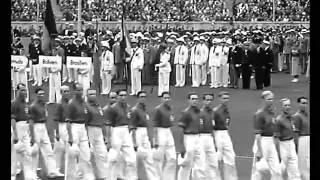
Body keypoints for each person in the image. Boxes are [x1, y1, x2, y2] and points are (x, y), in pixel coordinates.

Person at [29, 87, 64, 178]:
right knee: (34, 152)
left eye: (43, 94)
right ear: (36, 95)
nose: (41, 95)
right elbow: (31, 122)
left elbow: (46, 117)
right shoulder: (33, 106)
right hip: (36, 127)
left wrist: (47, 130)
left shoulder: (44, 104)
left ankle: (52, 171)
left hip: (43, 127)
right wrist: (32, 136)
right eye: (40, 94)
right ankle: (32, 174)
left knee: (48, 150)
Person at [104, 89, 137, 180]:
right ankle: (110, 178)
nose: (123, 97)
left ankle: (131, 177)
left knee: (132, 158)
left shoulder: (128, 107)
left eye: (125, 95)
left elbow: (130, 121)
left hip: (126, 132)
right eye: (121, 95)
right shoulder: (112, 108)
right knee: (113, 158)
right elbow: (108, 125)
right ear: (117, 97)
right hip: (116, 131)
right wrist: (108, 139)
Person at [65, 83, 95, 180]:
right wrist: (70, 137)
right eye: (78, 90)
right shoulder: (71, 104)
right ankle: (70, 177)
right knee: (72, 154)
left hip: (82, 128)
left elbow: (89, 115)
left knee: (86, 153)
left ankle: (85, 175)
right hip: (74, 127)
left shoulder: (83, 102)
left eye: (81, 90)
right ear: (74, 91)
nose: (80, 92)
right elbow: (68, 122)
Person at [251, 91, 282, 180]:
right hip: (262, 142)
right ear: (263, 100)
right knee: (258, 171)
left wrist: (276, 145)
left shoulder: (272, 113)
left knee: (277, 170)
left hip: (271, 142)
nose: (271, 101)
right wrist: (260, 151)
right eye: (269, 99)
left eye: (272, 99)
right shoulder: (259, 114)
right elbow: (257, 135)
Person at [177, 92, 206, 180]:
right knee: (186, 163)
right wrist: (182, 146)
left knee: (200, 162)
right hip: (188, 138)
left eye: (196, 99)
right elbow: (181, 129)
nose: (195, 101)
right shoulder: (186, 113)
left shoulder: (200, 112)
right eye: (193, 99)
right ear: (188, 100)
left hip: (198, 137)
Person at [130, 90, 158, 179]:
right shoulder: (134, 110)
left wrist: (150, 137)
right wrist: (134, 142)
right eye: (141, 97)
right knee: (136, 158)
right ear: (138, 98)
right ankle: (133, 177)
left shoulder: (145, 110)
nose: (143, 98)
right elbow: (133, 127)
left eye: (144, 97)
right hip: (137, 133)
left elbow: (148, 125)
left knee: (149, 157)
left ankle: (153, 178)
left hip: (144, 133)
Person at [11, 83, 36, 180]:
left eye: (25, 90)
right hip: (17, 128)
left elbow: (29, 120)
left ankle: (28, 175)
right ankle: (12, 175)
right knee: (14, 153)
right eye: (22, 90)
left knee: (27, 152)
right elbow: (12, 120)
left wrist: (32, 136)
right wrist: (15, 135)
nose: (24, 92)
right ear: (17, 91)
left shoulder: (26, 104)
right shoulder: (13, 103)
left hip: (25, 129)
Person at [274, 98, 301, 180]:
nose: (287, 107)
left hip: (291, 144)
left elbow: (294, 132)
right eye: (285, 105)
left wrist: (296, 147)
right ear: (281, 107)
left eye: (289, 105)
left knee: (295, 169)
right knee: (280, 169)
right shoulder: (279, 120)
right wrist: (277, 154)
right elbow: (276, 138)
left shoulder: (292, 118)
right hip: (283, 145)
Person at [152, 91, 176, 180]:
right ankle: (157, 177)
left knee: (172, 157)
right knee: (158, 158)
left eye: (168, 98)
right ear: (161, 99)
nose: (166, 99)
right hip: (160, 131)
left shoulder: (170, 108)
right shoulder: (157, 109)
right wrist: (155, 139)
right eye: (165, 98)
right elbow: (155, 125)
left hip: (168, 132)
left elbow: (172, 120)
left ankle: (168, 177)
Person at [213, 91, 238, 180]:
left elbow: (227, 123)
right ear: (220, 99)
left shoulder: (227, 111)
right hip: (217, 134)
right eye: (224, 98)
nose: (226, 100)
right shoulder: (215, 112)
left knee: (231, 156)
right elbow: (212, 126)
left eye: (227, 98)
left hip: (225, 134)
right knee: (217, 158)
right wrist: (214, 141)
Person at [85, 88, 108, 180]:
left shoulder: (98, 106)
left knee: (102, 153)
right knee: (89, 154)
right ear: (87, 96)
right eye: (90, 94)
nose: (93, 96)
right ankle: (88, 175)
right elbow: (85, 122)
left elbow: (102, 121)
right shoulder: (85, 106)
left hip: (99, 131)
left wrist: (105, 135)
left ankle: (102, 175)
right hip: (90, 129)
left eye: (94, 94)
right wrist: (86, 135)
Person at [200, 93, 221, 179]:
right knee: (201, 162)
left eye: (210, 100)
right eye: (207, 100)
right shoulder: (200, 113)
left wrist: (215, 142)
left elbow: (213, 128)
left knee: (213, 162)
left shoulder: (212, 113)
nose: (209, 102)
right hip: (200, 138)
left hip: (209, 137)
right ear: (203, 101)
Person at [52, 85, 71, 174]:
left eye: (67, 91)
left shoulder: (70, 103)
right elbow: (56, 119)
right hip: (61, 126)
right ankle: (55, 169)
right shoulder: (59, 104)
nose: (66, 93)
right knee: (59, 149)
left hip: (69, 126)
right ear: (61, 93)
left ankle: (69, 170)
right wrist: (57, 132)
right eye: (64, 91)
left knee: (69, 149)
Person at [292, 97, 309, 180]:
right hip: (302, 140)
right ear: (298, 104)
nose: (305, 105)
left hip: (307, 140)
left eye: (306, 103)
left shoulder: (306, 115)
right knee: (303, 165)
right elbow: (295, 133)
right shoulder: (297, 116)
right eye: (303, 103)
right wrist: (296, 146)